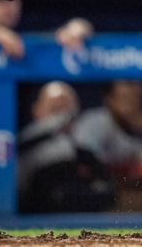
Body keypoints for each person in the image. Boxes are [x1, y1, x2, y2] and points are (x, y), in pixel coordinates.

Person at [18, 81, 115, 213]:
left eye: (64, 110)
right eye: (54, 109)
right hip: (37, 212)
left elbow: (107, 188)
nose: (60, 117)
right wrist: (52, 129)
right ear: (37, 110)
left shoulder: (85, 142)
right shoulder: (26, 140)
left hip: (82, 213)